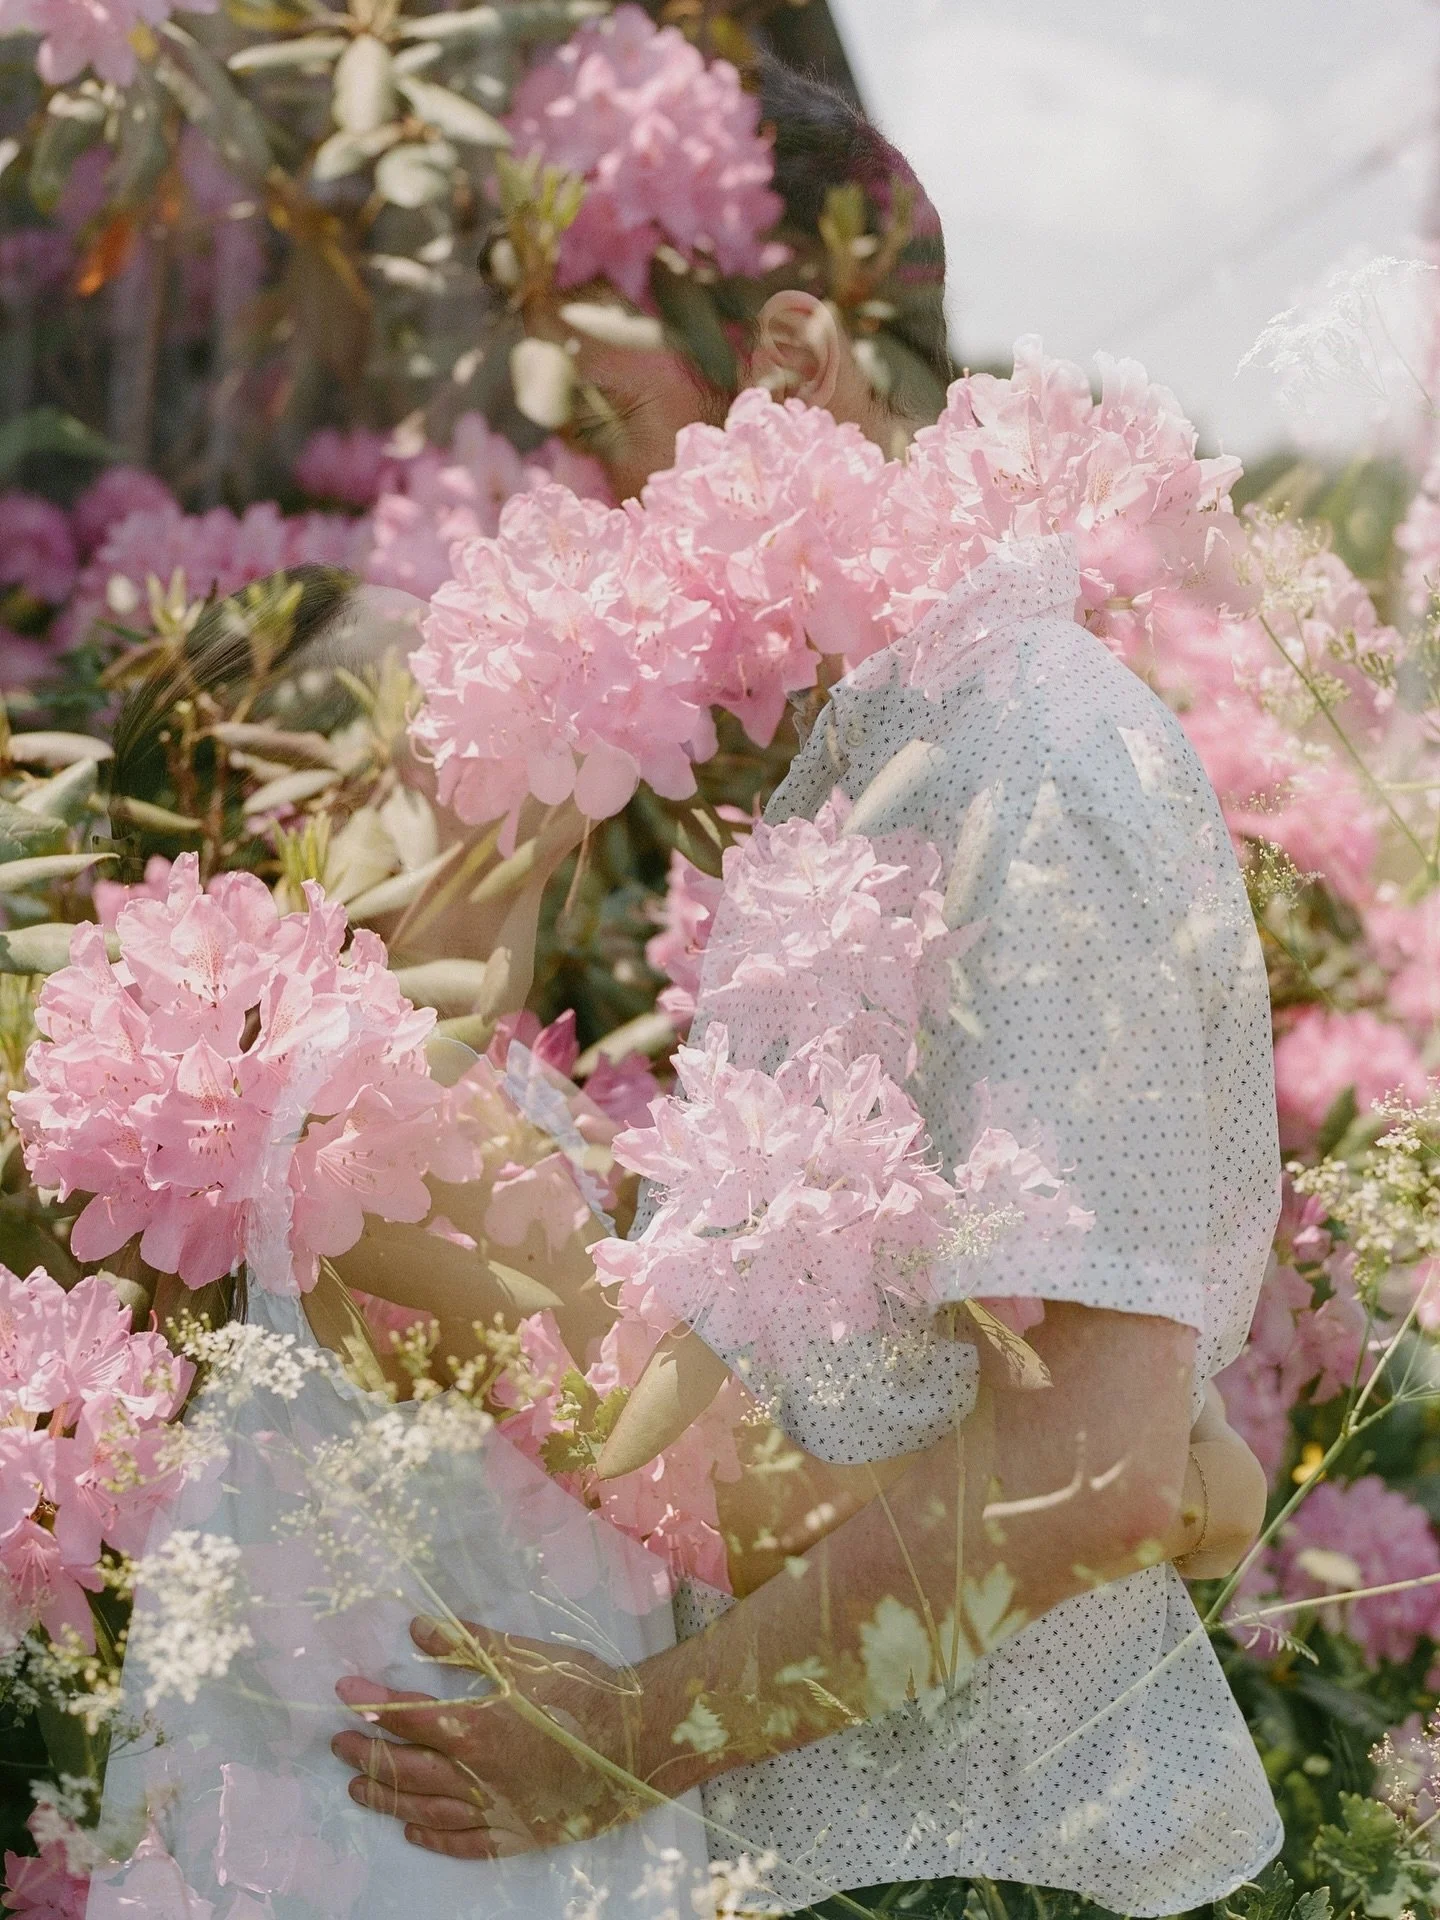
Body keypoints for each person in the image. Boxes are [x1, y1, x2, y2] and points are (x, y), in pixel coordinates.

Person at [324, 61, 1284, 1920]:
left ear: (786, 354)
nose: (576, 491)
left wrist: (623, 1740)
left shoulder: (1024, 753)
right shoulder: (898, 742)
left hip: (977, 1875)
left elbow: (1096, 1473)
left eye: (602, 415)